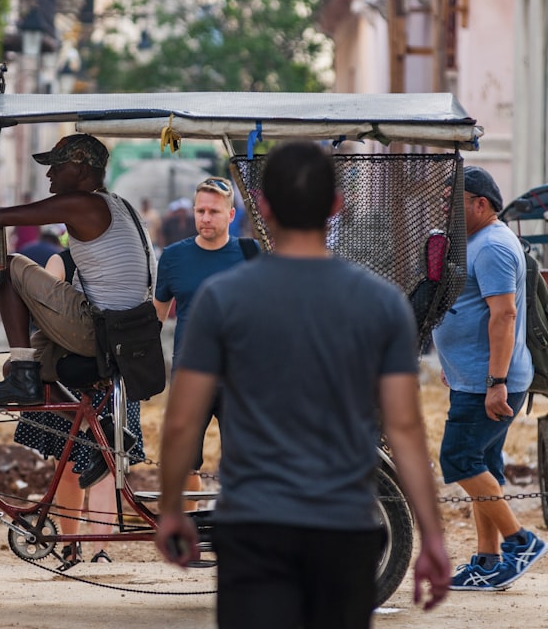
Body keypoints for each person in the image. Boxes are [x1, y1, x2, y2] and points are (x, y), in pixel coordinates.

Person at [155, 141, 450, 627]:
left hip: (252, 526)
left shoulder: (221, 299)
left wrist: (170, 510)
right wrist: (433, 536)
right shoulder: (382, 304)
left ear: (261, 208)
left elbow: (184, 419)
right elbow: (404, 428)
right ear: (336, 206)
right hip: (345, 527)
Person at [0, 133, 154, 489]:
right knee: (16, 370)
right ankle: (99, 432)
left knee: (10, 265)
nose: (49, 176)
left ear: (80, 167)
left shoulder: (84, 203)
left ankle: (25, 369)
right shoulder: (117, 203)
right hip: (124, 331)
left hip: (102, 330)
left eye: (56, 167)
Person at [431, 165, 546, 591]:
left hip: (490, 383)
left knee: (458, 460)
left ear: (480, 204)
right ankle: (488, 560)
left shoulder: (493, 246)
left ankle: (521, 541)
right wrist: (455, 364)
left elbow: (505, 314)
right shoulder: (477, 241)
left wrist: (495, 381)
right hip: (474, 379)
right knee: (485, 467)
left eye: (452, 202)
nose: (444, 209)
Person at [13, 246, 145, 568]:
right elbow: (44, 299)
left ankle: (99, 548)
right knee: (71, 464)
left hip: (105, 370)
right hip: (73, 370)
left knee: (106, 466)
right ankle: (72, 546)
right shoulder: (61, 260)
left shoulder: (123, 260)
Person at [153, 176, 259, 507]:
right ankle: (190, 539)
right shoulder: (172, 257)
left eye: (213, 211)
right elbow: (155, 317)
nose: (205, 218)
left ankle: (243, 538)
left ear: (230, 216)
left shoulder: (251, 253)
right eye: (200, 210)